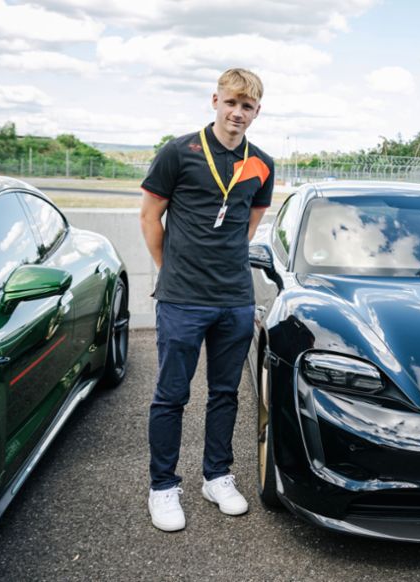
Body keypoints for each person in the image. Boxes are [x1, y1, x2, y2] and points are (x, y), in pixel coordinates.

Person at [140, 68, 274, 532]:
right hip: (182, 297)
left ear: (257, 112)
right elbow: (150, 216)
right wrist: (169, 269)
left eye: (247, 106)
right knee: (171, 396)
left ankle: (216, 477)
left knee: (225, 394)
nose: (237, 113)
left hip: (234, 299)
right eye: (231, 102)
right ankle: (163, 486)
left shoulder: (262, 163)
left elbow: (247, 226)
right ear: (215, 101)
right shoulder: (179, 152)